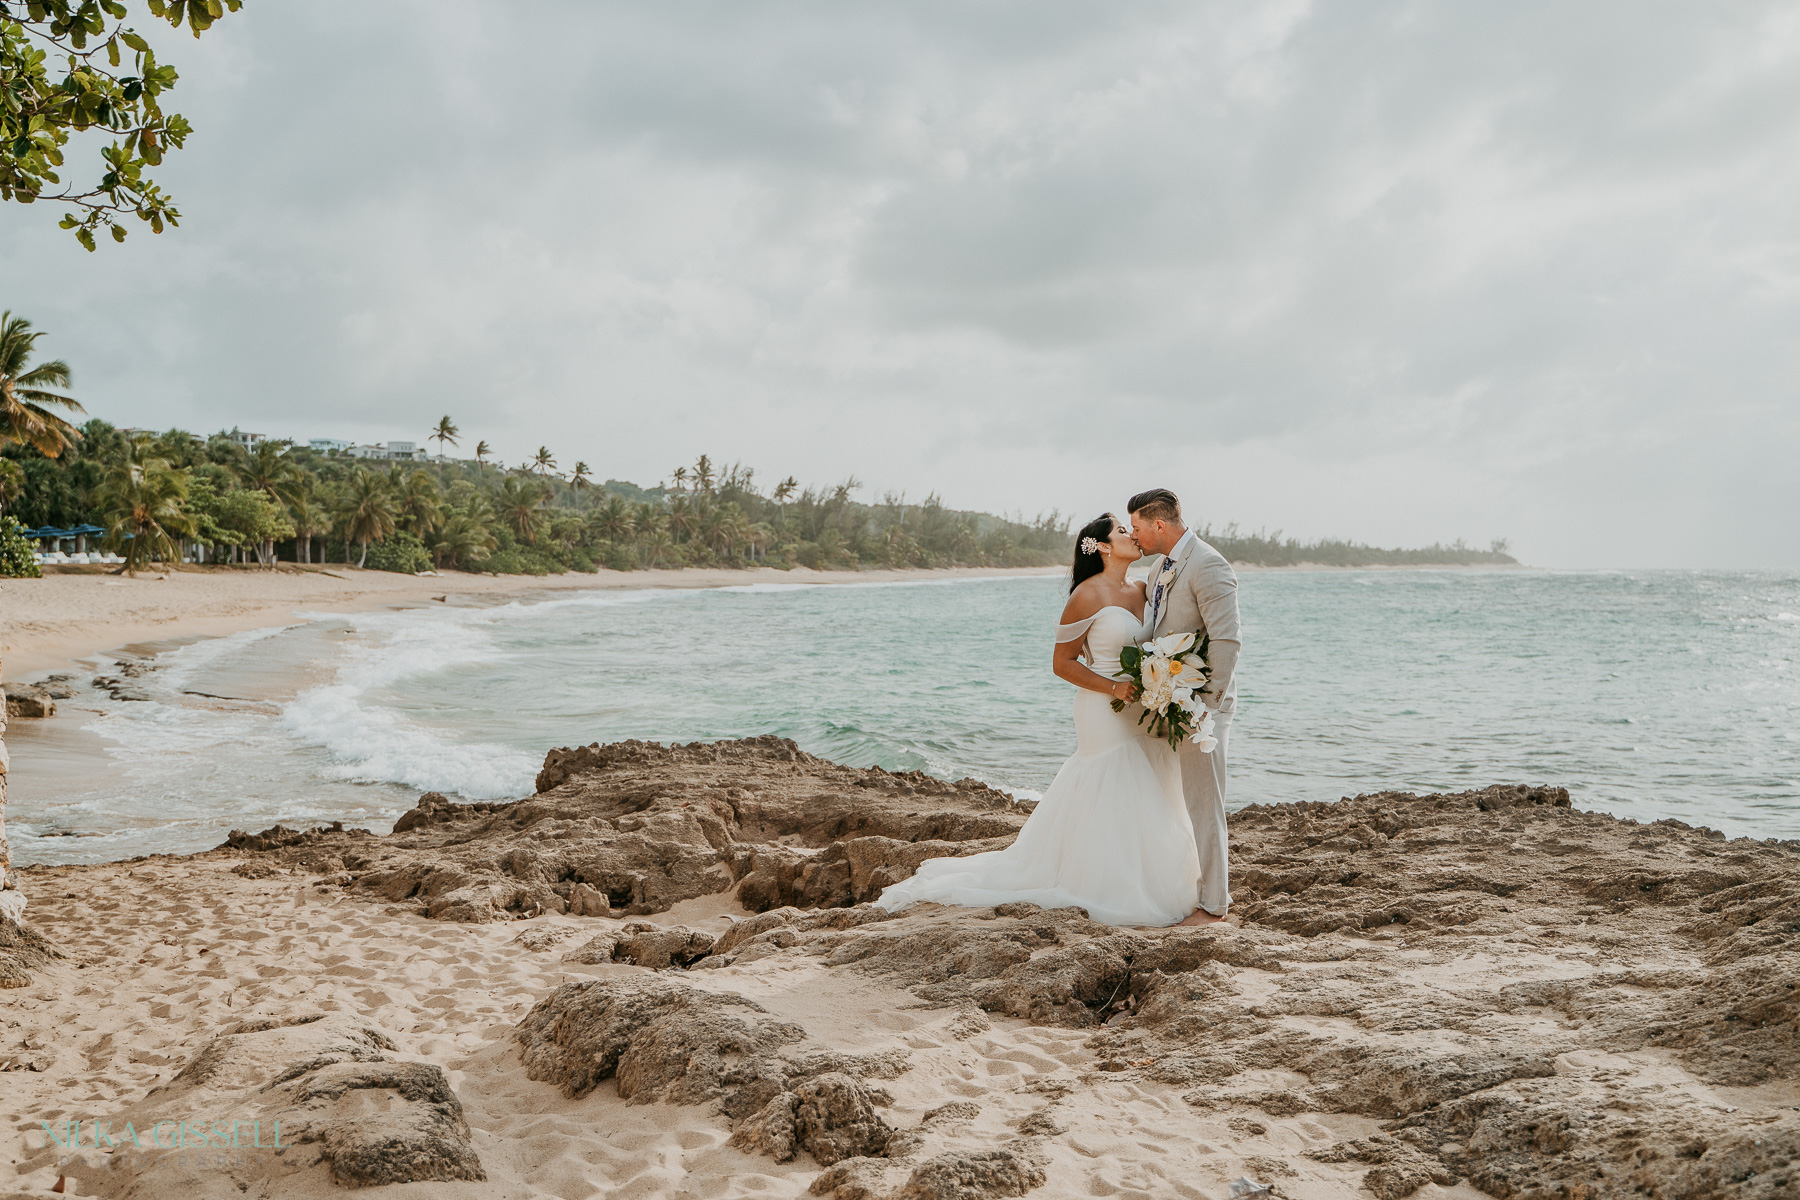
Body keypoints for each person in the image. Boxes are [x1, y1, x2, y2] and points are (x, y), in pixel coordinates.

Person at [874, 513, 1203, 927]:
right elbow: (1061, 663)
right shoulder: (1086, 594)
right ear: (1101, 546)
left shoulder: (1142, 588)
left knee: (1152, 790)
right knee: (1112, 786)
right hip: (1104, 708)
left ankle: (1158, 882)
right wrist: (1113, 687)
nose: (1132, 535)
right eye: (1122, 531)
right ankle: (1107, 886)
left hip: (1143, 707)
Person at [1127, 487, 1240, 924]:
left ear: (1158, 525)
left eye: (1137, 527)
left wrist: (1204, 708)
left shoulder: (1210, 565)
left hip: (1200, 708)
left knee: (1203, 800)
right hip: (1167, 700)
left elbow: (1227, 640)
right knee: (1164, 796)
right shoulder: (1159, 568)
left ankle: (1214, 905)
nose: (1134, 536)